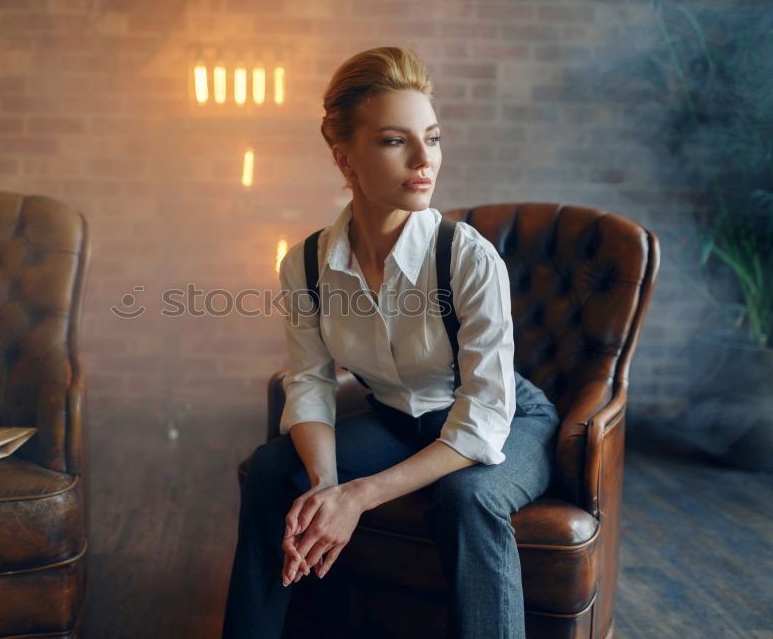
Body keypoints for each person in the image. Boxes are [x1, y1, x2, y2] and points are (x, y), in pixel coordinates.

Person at [222, 45, 561, 639]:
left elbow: (483, 419)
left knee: (470, 498)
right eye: (393, 141)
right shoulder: (306, 264)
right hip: (395, 418)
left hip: (506, 419)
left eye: (432, 138)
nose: (423, 159)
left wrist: (358, 498)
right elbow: (309, 381)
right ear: (343, 157)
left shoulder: (468, 257)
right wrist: (326, 487)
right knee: (276, 470)